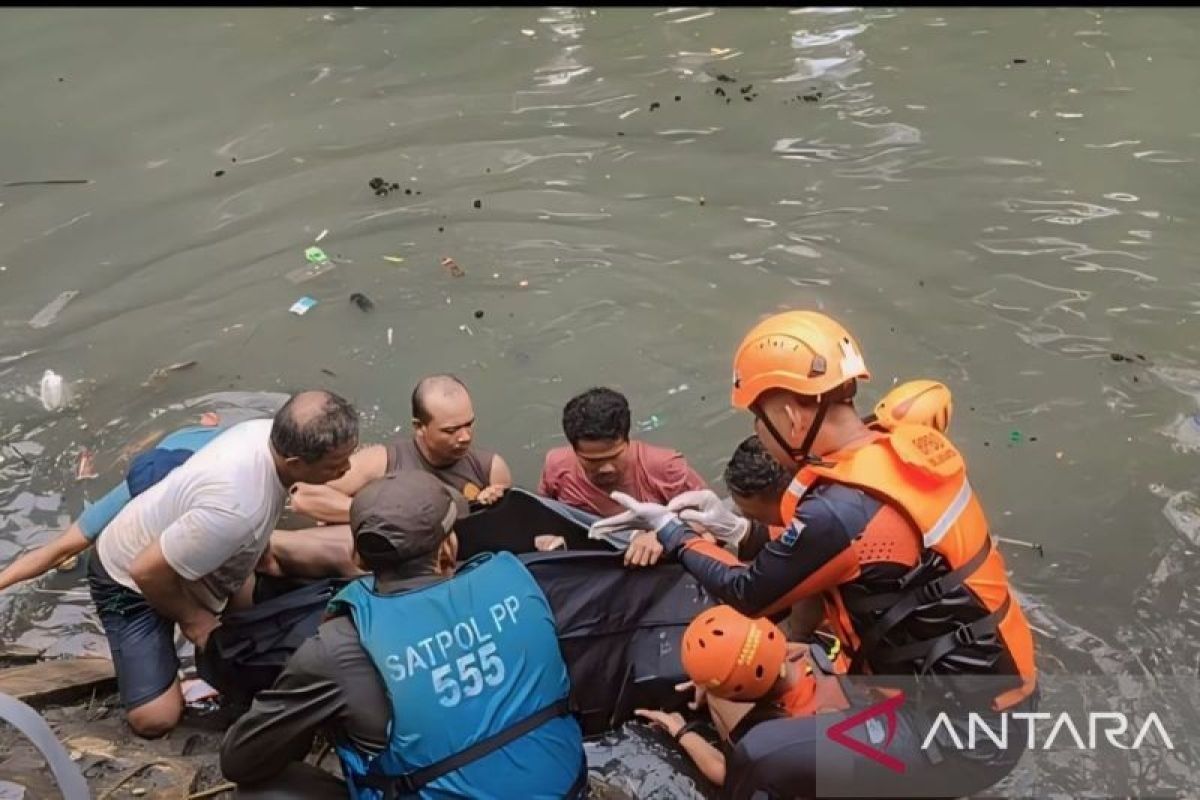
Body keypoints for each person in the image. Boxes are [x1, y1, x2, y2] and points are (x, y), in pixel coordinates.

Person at [596, 310, 1038, 797]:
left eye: (759, 421)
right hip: (985, 694)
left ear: (789, 415)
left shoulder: (841, 510)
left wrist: (675, 533)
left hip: (963, 734)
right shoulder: (886, 452)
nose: (761, 435)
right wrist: (738, 530)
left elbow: (748, 593)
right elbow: (827, 554)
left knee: (761, 755)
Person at [220, 470, 587, 799]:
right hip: (568, 787)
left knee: (259, 793)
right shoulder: (517, 579)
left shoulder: (338, 646)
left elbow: (240, 761)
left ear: (357, 558)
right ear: (449, 546)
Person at [88, 390, 359, 738]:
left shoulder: (265, 433)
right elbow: (146, 571)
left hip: (193, 553)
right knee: (154, 719)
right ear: (295, 464)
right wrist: (196, 622)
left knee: (246, 630)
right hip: (128, 580)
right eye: (336, 465)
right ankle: (165, 666)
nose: (347, 470)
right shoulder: (236, 508)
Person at [268, 375, 512, 579]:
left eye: (469, 424)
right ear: (419, 427)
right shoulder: (381, 460)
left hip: (455, 565)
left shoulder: (490, 468)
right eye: (451, 430)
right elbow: (304, 496)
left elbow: (511, 530)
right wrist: (384, 516)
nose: (465, 437)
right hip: (394, 567)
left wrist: (492, 504)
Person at [0, 410, 269, 593]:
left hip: (204, 454)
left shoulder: (220, 467)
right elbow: (56, 551)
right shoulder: (131, 491)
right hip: (184, 449)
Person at [635, 605, 847, 789]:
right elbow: (777, 652)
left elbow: (725, 774)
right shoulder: (821, 651)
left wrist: (680, 731)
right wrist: (714, 679)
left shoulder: (770, 738)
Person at [539, 386, 707, 566]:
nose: (606, 468)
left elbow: (710, 520)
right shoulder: (557, 467)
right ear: (574, 450)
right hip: (595, 560)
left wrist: (663, 535)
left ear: (627, 440)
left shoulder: (665, 467)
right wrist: (546, 535)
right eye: (592, 461)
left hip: (658, 564)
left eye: (614, 456)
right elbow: (542, 513)